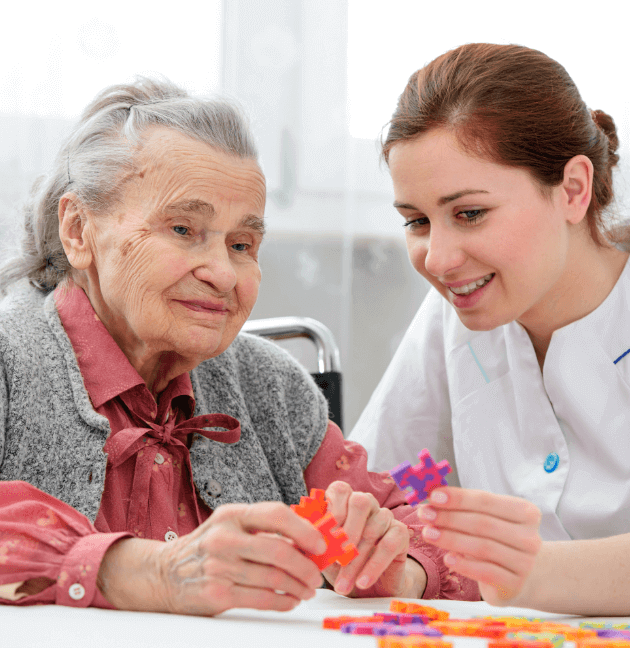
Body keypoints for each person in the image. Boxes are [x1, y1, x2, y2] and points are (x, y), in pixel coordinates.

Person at [0, 78, 477, 614]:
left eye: (242, 244)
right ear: (78, 230)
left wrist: (395, 567)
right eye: (183, 229)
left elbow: (426, 530)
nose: (224, 274)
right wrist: (148, 572)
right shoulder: (9, 361)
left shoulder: (270, 389)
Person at [350, 43, 630, 615]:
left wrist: (528, 573)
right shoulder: (455, 318)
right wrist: (379, 546)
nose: (439, 259)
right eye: (417, 222)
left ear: (573, 190)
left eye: (470, 213)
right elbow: (391, 482)